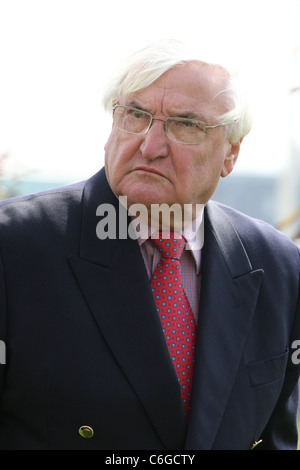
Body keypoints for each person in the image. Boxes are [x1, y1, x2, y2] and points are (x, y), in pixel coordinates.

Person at [0, 39, 299, 450]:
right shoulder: (14, 245)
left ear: (230, 153)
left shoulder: (280, 266)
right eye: (136, 115)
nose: (150, 146)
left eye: (186, 125)